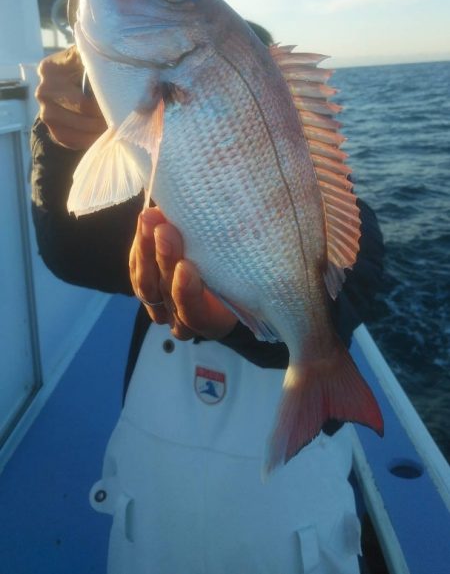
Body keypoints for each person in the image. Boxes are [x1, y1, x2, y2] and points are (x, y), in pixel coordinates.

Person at [31, 29, 384, 574]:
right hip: (149, 528)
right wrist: (59, 144)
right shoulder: (157, 192)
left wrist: (240, 326)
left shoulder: (339, 223)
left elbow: (349, 295)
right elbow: (70, 253)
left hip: (291, 533)